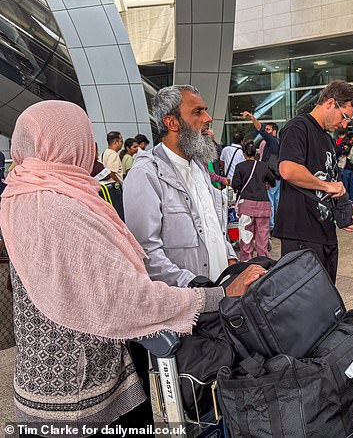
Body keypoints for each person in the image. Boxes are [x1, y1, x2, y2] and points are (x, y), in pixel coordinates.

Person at [0, 100, 265, 436]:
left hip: (42, 380)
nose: (92, 147)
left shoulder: (21, 192)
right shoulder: (62, 209)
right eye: (86, 136)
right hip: (81, 392)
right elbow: (127, 296)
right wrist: (218, 295)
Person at [124, 84, 240, 287]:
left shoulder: (199, 167)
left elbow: (215, 227)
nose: (208, 119)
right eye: (198, 112)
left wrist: (230, 259)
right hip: (189, 306)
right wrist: (195, 286)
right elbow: (146, 252)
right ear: (172, 122)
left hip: (222, 295)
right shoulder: (146, 174)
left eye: (205, 110)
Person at [273, 80, 353, 283]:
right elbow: (288, 169)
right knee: (304, 301)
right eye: (345, 116)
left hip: (324, 232)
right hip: (302, 233)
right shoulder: (298, 127)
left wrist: (349, 207)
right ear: (330, 103)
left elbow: (333, 180)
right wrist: (326, 186)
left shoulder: (327, 138)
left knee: (326, 298)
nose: (345, 124)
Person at [232, 141, 276, 261]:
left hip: (246, 206)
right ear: (255, 152)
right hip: (263, 206)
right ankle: (263, 262)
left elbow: (235, 184)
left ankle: (246, 262)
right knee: (263, 238)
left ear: (244, 153)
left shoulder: (240, 166)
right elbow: (273, 181)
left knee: (246, 237)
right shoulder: (263, 166)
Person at [241, 110, 281, 231]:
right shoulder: (278, 142)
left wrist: (253, 118)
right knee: (276, 200)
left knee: (271, 201)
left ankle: (272, 226)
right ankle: (277, 225)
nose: (266, 131)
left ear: (274, 131)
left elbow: (261, 130)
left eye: (269, 130)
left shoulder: (272, 141)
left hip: (272, 176)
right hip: (278, 176)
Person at [338, 131, 353, 200]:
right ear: (352, 137)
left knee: (346, 184)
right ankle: (350, 199)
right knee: (350, 185)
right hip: (348, 167)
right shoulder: (347, 144)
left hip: (345, 167)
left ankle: (346, 199)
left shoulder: (343, 143)